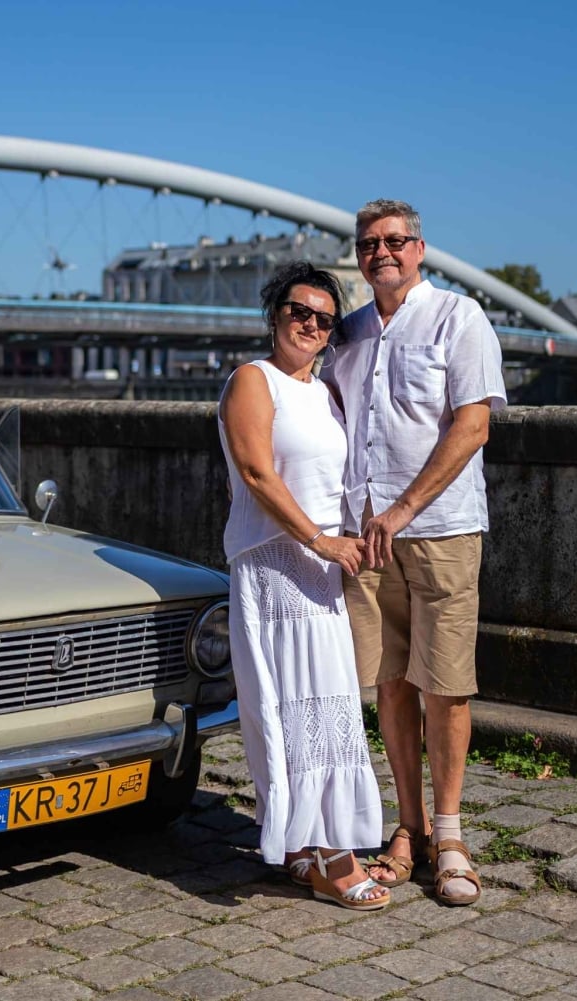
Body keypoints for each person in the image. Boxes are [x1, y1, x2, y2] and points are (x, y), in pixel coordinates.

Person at [324, 199, 506, 906]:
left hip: (440, 530)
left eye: (394, 241)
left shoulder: (459, 318)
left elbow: (473, 426)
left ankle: (452, 833)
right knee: (391, 682)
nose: (381, 253)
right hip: (366, 538)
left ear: (420, 248)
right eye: (369, 244)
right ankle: (408, 828)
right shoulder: (349, 332)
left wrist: (401, 509)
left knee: (446, 683)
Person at [217, 261, 387, 911]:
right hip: (277, 564)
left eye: (324, 317)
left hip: (321, 568)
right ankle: (332, 856)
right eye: (299, 310)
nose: (311, 323)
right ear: (274, 313)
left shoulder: (323, 391)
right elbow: (259, 475)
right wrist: (320, 540)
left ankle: (301, 846)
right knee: (296, 707)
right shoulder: (252, 382)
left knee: (328, 706)